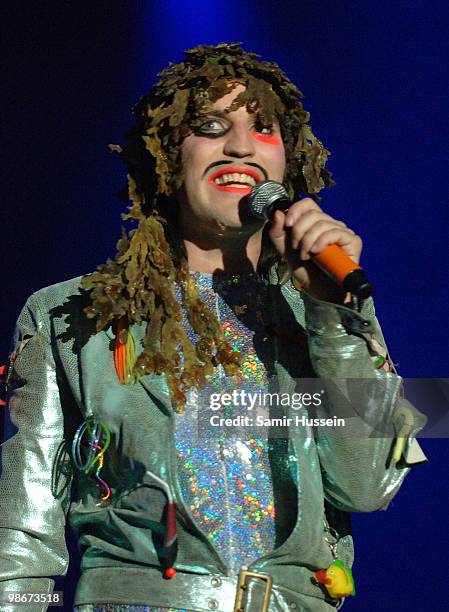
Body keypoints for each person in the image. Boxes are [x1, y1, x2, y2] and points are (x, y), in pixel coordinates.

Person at [0, 43, 426, 612]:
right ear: (165, 156)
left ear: (287, 163)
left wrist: (331, 316)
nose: (241, 147)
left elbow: (368, 486)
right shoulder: (72, 317)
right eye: (210, 125)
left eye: (264, 129)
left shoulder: (327, 309)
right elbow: (21, 538)